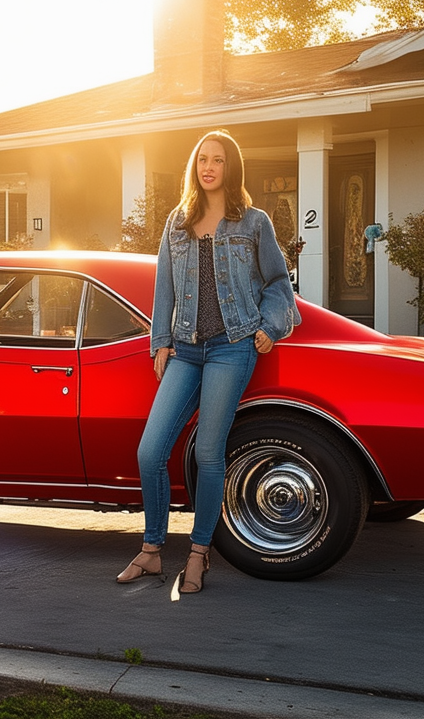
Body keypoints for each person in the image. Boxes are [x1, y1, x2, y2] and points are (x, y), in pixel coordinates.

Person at [116, 130, 300, 593]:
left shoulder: (254, 222)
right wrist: (160, 341)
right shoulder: (177, 221)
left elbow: (279, 283)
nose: (208, 167)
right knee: (150, 452)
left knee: (207, 453)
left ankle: (199, 554)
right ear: (194, 167)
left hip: (233, 346)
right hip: (186, 347)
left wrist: (269, 328)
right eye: (202, 159)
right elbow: (164, 287)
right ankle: (152, 550)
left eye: (218, 160)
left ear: (230, 167)